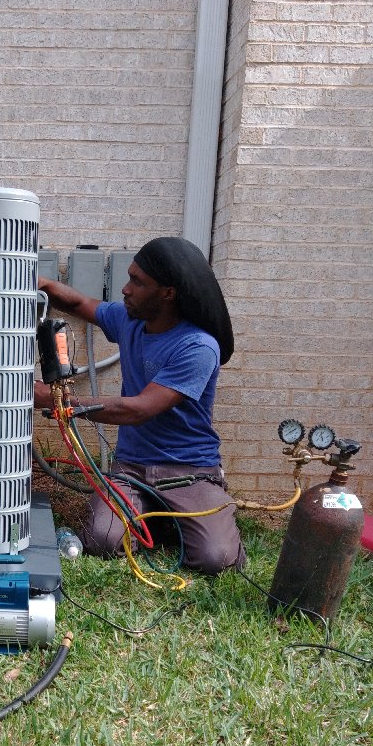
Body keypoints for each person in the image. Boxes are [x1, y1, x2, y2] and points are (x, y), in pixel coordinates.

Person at [36, 236, 245, 575]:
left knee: (216, 559)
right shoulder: (129, 320)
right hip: (132, 470)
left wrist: (52, 398)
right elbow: (78, 304)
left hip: (189, 472)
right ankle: (159, 519)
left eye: (137, 281)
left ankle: (187, 515)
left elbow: (138, 410)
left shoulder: (198, 347)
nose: (125, 289)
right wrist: (39, 282)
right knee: (102, 540)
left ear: (168, 292)